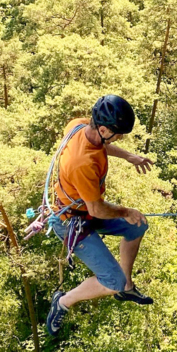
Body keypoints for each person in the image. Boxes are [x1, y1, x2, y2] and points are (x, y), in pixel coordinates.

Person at [46, 95, 154, 336]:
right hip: (73, 221)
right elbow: (96, 209)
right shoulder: (82, 163)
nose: (121, 138)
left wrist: (128, 156)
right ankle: (62, 301)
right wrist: (126, 211)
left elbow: (100, 143)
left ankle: (126, 287)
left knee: (137, 226)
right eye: (118, 133)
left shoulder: (80, 126)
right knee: (111, 282)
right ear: (103, 128)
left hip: (85, 210)